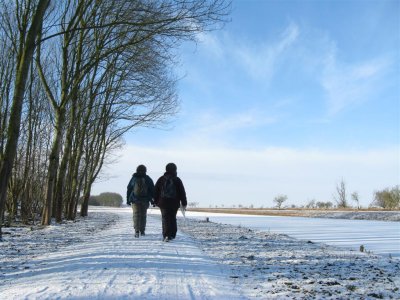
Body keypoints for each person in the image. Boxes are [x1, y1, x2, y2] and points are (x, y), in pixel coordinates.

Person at [154, 163, 187, 242]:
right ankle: (172, 234)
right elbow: (182, 192)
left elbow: (155, 191)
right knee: (172, 218)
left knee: (165, 218)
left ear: (166, 169)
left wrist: (155, 201)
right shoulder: (177, 180)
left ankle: (166, 235)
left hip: (163, 202)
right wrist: (184, 202)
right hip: (174, 202)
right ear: (175, 170)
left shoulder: (161, 179)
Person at [127, 164, 155, 238]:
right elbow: (152, 189)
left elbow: (129, 188)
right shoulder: (148, 178)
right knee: (143, 215)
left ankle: (136, 231)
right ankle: (142, 231)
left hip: (135, 199)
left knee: (136, 215)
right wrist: (153, 199)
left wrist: (128, 199)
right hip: (145, 200)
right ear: (145, 171)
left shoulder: (134, 178)